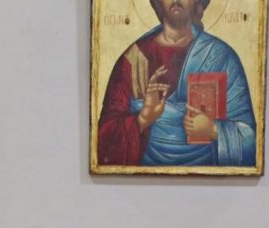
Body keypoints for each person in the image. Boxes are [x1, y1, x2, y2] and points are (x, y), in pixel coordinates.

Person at [97, 0, 256, 167]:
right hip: (144, 179)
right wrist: (142, 119)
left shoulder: (222, 58)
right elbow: (104, 143)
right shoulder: (134, 59)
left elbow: (250, 141)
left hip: (207, 179)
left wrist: (213, 130)